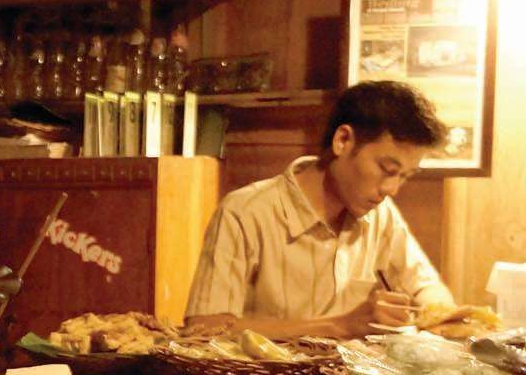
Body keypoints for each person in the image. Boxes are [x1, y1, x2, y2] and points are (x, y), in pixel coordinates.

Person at [185, 81, 455, 338]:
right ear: (342, 140)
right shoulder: (246, 212)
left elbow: (425, 287)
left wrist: (442, 315)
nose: (392, 189)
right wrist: (339, 326)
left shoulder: (379, 213)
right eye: (387, 170)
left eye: (405, 176)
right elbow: (205, 328)